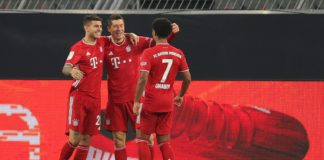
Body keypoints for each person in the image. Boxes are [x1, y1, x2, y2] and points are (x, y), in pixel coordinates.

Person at [103, 14, 179, 160]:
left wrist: (172, 34)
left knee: (147, 139)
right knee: (119, 140)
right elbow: (90, 41)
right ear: (109, 29)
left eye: (121, 26)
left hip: (135, 99)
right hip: (115, 102)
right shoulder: (105, 44)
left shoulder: (135, 41)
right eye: (115, 26)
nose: (119, 29)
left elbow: (159, 43)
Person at [133, 17, 191, 160]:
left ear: (154, 33)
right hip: (167, 102)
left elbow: (142, 78)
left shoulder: (149, 53)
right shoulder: (178, 53)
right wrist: (180, 96)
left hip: (150, 102)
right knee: (164, 142)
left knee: (142, 139)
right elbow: (188, 78)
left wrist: (135, 101)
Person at [59, 15, 105, 160]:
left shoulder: (102, 42)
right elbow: (65, 68)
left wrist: (130, 34)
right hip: (79, 97)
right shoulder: (78, 47)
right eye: (96, 26)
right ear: (86, 27)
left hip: (95, 100)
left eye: (100, 26)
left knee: (86, 141)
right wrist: (72, 71)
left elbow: (118, 36)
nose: (99, 29)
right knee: (74, 140)